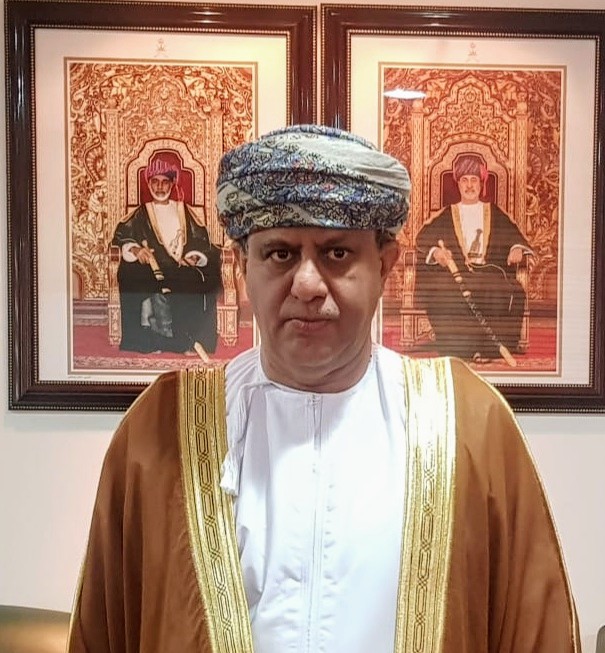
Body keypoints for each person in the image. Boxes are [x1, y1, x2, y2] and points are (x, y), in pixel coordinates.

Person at [68, 126, 580, 652]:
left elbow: (535, 634)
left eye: (336, 254)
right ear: (242, 269)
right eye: (280, 254)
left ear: (384, 266)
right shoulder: (161, 431)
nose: (308, 285)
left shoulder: (467, 427)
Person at [415, 153, 532, 362]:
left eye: (474, 180)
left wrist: (517, 249)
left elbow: (515, 237)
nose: (469, 185)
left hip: (488, 274)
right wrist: (437, 253)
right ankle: (460, 349)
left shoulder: (494, 212)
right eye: (465, 180)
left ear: (481, 183)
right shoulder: (446, 214)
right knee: (443, 292)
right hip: (456, 275)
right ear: (458, 184)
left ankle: (491, 349)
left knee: (506, 290)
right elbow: (422, 239)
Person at [112, 150, 222, 357]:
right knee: (132, 275)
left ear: (172, 184)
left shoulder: (184, 210)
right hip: (151, 268)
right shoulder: (141, 212)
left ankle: (191, 341)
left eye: (165, 182)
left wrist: (195, 255)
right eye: (155, 182)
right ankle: (147, 341)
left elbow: (202, 239)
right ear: (149, 184)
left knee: (201, 279)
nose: (160, 187)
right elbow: (122, 236)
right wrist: (135, 249)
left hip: (181, 268)